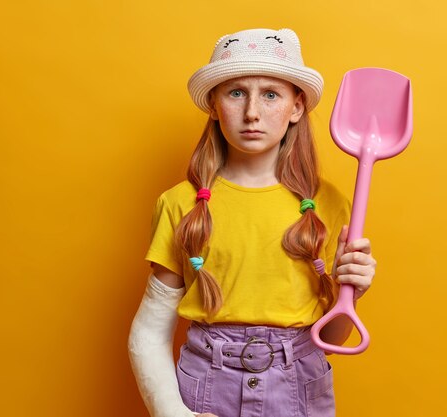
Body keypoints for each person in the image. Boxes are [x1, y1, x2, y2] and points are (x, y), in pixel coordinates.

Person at [128, 28, 376, 417]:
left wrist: (351, 294)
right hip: (206, 387)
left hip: (301, 389)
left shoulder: (330, 205)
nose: (252, 113)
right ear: (213, 104)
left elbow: (329, 339)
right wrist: (171, 412)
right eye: (236, 92)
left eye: (271, 94)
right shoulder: (179, 204)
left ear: (296, 108)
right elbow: (148, 331)